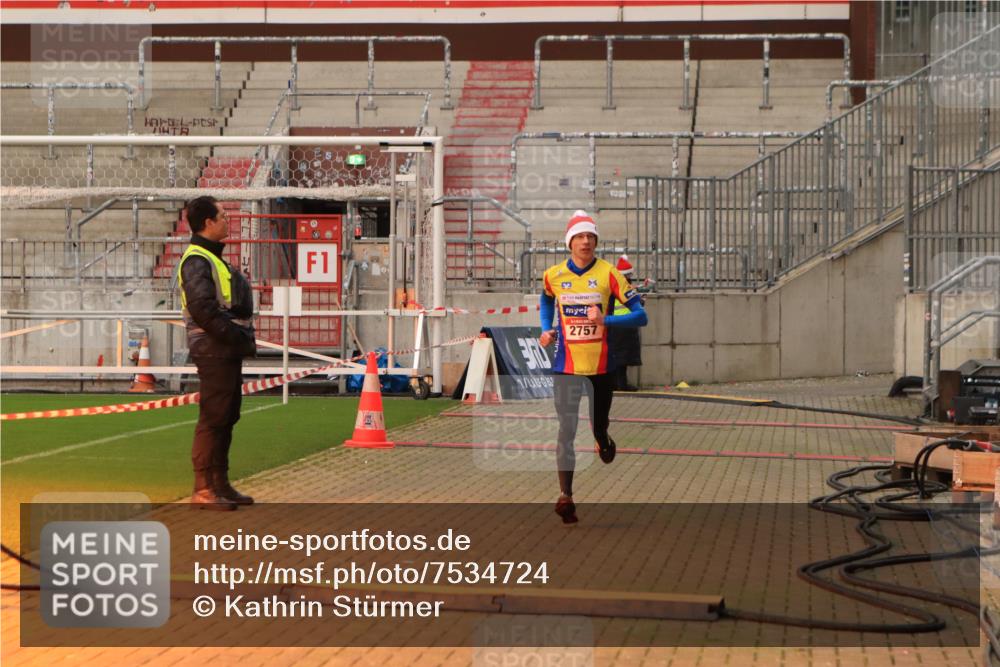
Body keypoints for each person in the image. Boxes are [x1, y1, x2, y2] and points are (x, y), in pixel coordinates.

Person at [539, 211, 647, 524]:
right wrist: (547, 328)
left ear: (596, 240)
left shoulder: (610, 274)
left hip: (601, 366)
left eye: (591, 236)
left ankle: (604, 437)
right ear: (569, 242)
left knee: (597, 425)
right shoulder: (554, 275)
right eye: (580, 236)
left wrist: (606, 320)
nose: (586, 241)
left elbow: (641, 316)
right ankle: (566, 496)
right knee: (566, 431)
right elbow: (547, 300)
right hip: (567, 366)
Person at [178, 196, 257, 511]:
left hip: (222, 347)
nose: (228, 220)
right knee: (213, 417)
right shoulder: (197, 260)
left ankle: (219, 483)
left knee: (226, 415)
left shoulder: (210, 258)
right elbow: (202, 308)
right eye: (223, 216)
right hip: (214, 348)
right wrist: (233, 335)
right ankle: (203, 487)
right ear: (208, 222)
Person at [607, 255, 643, 392]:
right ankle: (621, 385)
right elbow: (633, 303)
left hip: (616, 324)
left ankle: (617, 384)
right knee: (622, 360)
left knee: (618, 358)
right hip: (625, 325)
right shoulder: (625, 287)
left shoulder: (615, 286)